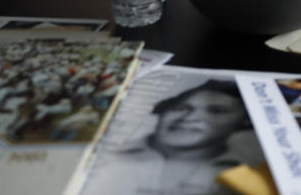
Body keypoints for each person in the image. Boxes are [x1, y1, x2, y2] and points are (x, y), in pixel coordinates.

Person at [94, 80, 264, 195]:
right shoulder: (103, 153)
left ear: (244, 122)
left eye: (216, 111)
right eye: (180, 107)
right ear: (162, 111)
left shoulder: (252, 171)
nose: (189, 118)